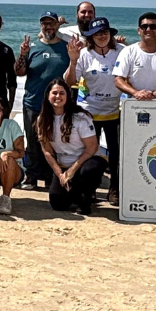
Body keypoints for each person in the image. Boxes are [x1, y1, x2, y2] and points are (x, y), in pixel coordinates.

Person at [63, 17, 124, 205]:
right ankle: (89, 190)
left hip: (115, 111)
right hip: (90, 113)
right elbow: (69, 82)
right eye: (97, 33)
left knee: (116, 154)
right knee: (90, 153)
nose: (102, 36)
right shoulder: (84, 54)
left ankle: (114, 188)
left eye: (105, 32)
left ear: (111, 34)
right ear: (90, 36)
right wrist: (73, 61)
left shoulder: (122, 52)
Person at [15, 11, 70, 190]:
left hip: (57, 105)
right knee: (32, 140)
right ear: (41, 26)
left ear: (57, 25)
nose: (48, 27)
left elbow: (72, 76)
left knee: (53, 140)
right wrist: (22, 54)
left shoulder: (66, 47)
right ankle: (31, 176)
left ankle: (49, 176)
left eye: (51, 23)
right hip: (33, 101)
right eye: (45, 24)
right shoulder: (33, 48)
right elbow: (19, 72)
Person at [36, 79, 107, 215]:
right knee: (58, 203)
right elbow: (47, 152)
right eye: (54, 93)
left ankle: (85, 197)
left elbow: (91, 148)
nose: (58, 97)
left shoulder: (80, 117)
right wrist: (60, 174)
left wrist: (72, 171)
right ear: (47, 96)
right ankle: (75, 193)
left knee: (90, 170)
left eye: (62, 93)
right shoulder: (42, 120)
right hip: (64, 163)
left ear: (68, 96)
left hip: (88, 159)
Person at [113, 12, 156, 104]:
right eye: (144, 26)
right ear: (139, 30)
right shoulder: (127, 51)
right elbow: (118, 80)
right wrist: (136, 93)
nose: (148, 29)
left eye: (153, 27)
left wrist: (153, 95)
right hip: (133, 103)